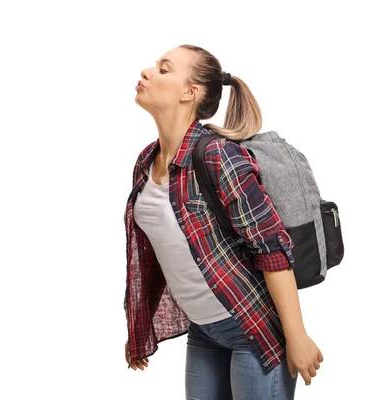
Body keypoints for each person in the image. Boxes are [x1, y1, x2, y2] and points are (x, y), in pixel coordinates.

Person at [123, 44, 323, 400]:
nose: (147, 72)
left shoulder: (216, 155)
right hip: (205, 329)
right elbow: (155, 256)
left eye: (164, 69)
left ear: (190, 93)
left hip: (253, 328)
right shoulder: (146, 160)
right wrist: (140, 329)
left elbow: (271, 247)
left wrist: (297, 335)